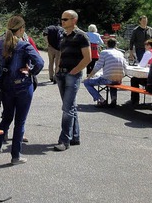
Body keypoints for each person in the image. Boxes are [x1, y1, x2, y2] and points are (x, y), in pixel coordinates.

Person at [0, 16, 43, 165]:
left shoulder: (0, 43)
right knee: (20, 122)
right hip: (23, 86)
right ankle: (15, 156)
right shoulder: (24, 45)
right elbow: (40, 62)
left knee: (6, 119)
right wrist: (30, 71)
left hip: (6, 86)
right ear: (21, 29)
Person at [54, 10, 91, 152]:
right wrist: (57, 69)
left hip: (72, 75)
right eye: (61, 19)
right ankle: (75, 136)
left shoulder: (81, 36)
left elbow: (87, 58)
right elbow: (61, 54)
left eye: (65, 19)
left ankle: (64, 141)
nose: (62, 22)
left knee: (67, 108)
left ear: (74, 20)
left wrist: (75, 71)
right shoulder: (63, 35)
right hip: (61, 75)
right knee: (70, 106)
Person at [83, 38, 127, 108]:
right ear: (116, 45)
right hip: (118, 79)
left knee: (87, 83)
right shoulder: (120, 53)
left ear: (107, 44)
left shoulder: (104, 52)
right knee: (113, 78)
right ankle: (113, 99)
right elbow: (125, 67)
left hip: (108, 79)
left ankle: (101, 100)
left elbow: (97, 67)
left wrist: (88, 77)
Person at [128, 39, 152, 106]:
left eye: (145, 45)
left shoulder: (149, 52)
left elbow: (142, 65)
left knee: (134, 79)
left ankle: (135, 100)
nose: (145, 47)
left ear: (149, 45)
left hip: (150, 79)